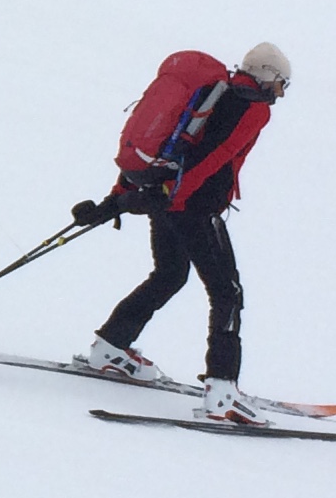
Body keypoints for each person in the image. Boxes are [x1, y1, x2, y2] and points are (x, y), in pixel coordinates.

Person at [68, 42, 292, 421]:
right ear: (268, 77)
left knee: (170, 274)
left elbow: (168, 148)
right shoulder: (252, 108)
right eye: (282, 83)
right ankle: (222, 393)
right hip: (193, 207)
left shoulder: (214, 93)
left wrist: (118, 198)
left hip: (168, 201)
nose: (281, 93)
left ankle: (111, 346)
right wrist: (173, 196)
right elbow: (212, 157)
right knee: (227, 292)